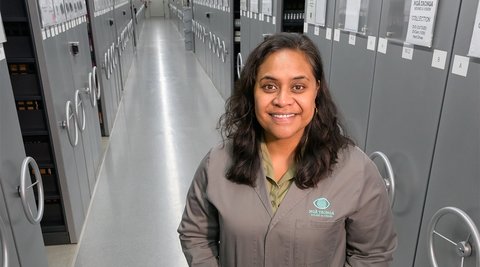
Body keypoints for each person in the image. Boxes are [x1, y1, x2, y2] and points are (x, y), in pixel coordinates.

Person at [178, 32, 397, 267]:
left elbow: (373, 255)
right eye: (269, 86)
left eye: (298, 86)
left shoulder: (356, 172)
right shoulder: (218, 163)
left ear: (316, 90)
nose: (283, 100)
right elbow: (195, 234)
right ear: (253, 92)